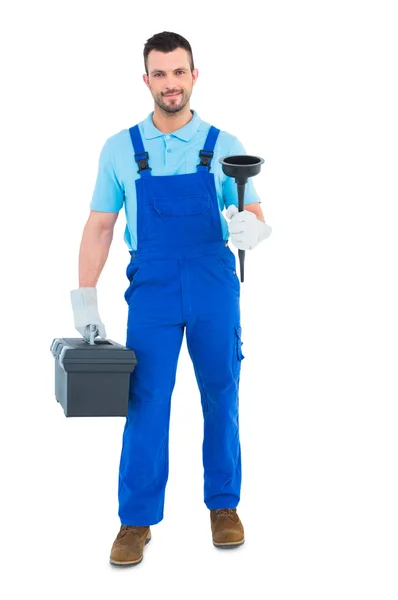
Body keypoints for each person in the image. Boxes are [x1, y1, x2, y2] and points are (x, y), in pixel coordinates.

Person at [70, 31, 272, 566]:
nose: (170, 83)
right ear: (146, 81)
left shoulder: (224, 145)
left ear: (193, 76)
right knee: (145, 401)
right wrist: (85, 299)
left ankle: (223, 507)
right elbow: (100, 227)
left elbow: (251, 211)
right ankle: (135, 521)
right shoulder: (120, 148)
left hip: (213, 284)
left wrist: (254, 231)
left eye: (179, 72)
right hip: (152, 290)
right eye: (159, 74)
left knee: (221, 393)